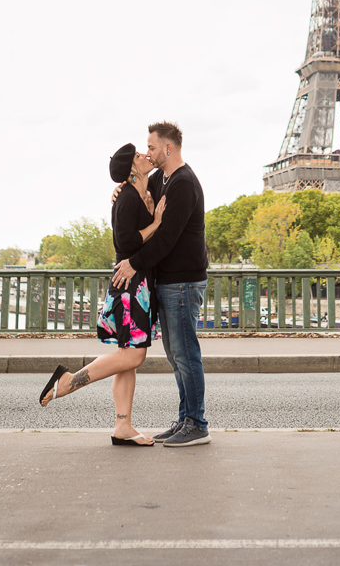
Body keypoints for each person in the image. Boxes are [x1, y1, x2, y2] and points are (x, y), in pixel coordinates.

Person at [38, 142, 165, 447]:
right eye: (138, 155)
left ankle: (123, 426)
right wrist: (158, 223)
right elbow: (126, 241)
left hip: (138, 284)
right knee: (133, 354)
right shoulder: (127, 199)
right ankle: (69, 381)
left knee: (128, 359)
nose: (145, 156)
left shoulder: (142, 193)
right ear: (131, 169)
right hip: (130, 285)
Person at [113, 121, 210, 447]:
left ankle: (197, 423)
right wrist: (121, 189)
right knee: (176, 355)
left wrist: (134, 263)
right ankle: (186, 419)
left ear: (168, 148)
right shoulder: (160, 179)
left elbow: (166, 238)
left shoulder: (183, 183)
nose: (149, 153)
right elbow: (136, 191)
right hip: (170, 282)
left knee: (185, 355)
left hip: (183, 282)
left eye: (152, 147)